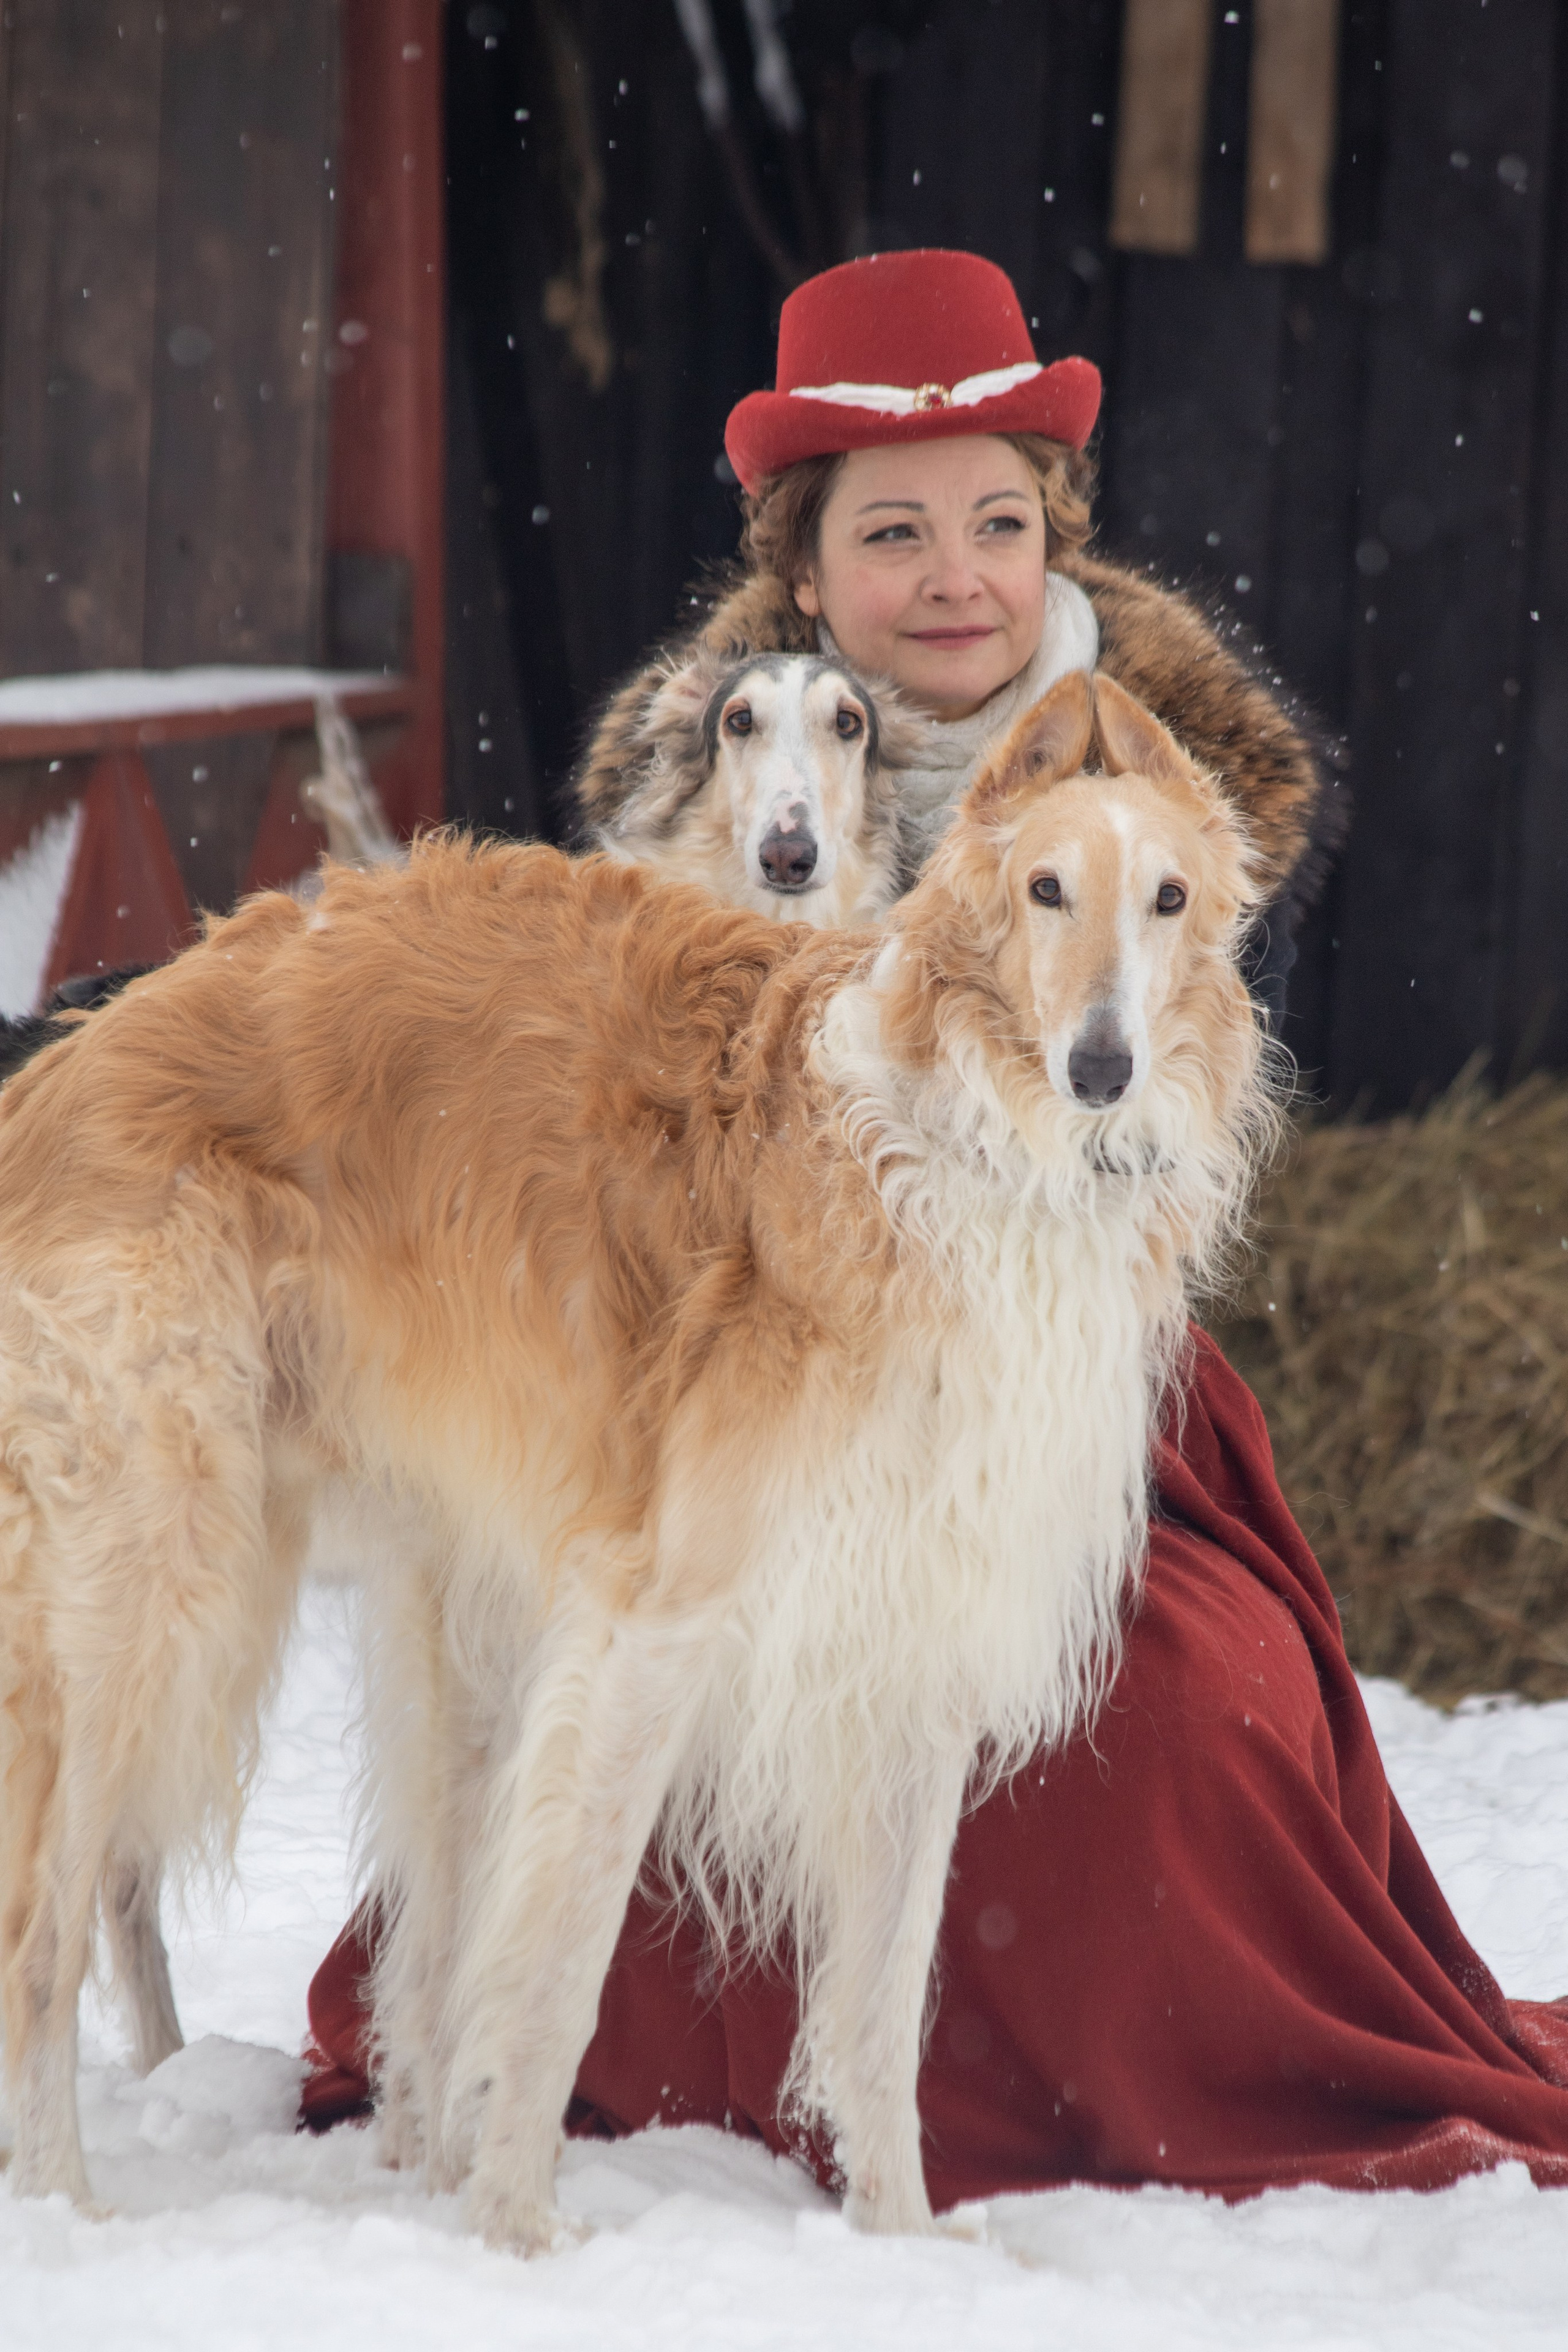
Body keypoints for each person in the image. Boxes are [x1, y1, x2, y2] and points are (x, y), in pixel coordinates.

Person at [301, 251, 1568, 2199]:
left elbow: (1167, 1120)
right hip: (735, 1354)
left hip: (1066, 1387)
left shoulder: (1166, 798)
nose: (957, 574)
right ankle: (641, 2062)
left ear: (1054, 530)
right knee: (645, 1655)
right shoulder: (720, 791)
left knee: (1169, 1729)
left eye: (999, 520)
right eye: (894, 533)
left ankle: (1097, 2086)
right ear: (809, 574)